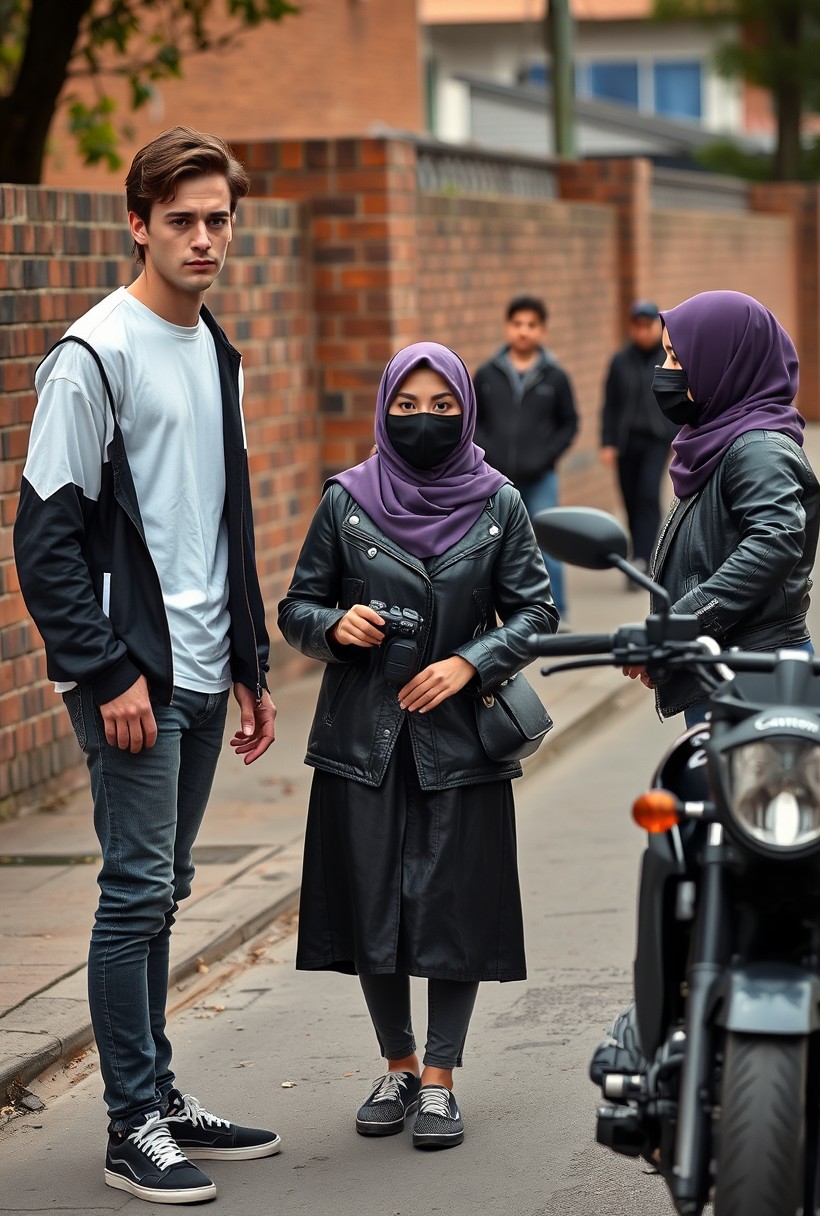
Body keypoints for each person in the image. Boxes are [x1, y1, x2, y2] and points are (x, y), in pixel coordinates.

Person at [13, 127, 280, 1205]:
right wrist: (106, 670)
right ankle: (132, 1124)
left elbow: (224, 521)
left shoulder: (218, 350)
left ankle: (160, 1093)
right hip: (137, 675)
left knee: (165, 888)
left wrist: (253, 662)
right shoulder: (93, 356)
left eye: (219, 219)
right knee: (134, 893)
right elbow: (44, 539)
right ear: (138, 223)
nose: (205, 238)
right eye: (182, 220)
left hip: (211, 667)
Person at [278, 342, 558, 1151]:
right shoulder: (345, 501)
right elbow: (298, 605)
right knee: (374, 908)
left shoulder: (500, 502)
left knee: (455, 907)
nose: (424, 420)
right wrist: (335, 625)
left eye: (442, 406)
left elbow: (535, 613)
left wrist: (470, 661)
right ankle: (397, 1064)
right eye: (408, 405)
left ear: (466, 409)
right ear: (384, 406)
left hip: (459, 740)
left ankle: (440, 1078)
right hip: (363, 740)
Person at [622, 290, 820, 727]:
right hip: (729, 669)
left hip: (756, 678)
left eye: (677, 358)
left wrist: (679, 624)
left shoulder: (756, 447)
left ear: (722, 361)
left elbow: (774, 541)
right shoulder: (720, 442)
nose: (665, 372)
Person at [473, 295, 578, 620]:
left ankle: (554, 610)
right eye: (517, 324)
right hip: (494, 480)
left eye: (531, 325)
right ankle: (489, 615)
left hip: (540, 477)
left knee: (547, 543)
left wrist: (546, 455)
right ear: (507, 327)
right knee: (489, 546)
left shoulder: (555, 377)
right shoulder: (487, 375)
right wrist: (486, 454)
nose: (523, 331)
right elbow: (474, 421)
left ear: (542, 330)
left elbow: (569, 423)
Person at [600, 300, 677, 582]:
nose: (643, 331)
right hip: (626, 442)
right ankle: (638, 553)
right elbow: (610, 405)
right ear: (632, 327)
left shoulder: (668, 358)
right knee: (630, 499)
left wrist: (677, 438)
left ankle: (646, 559)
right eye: (638, 325)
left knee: (647, 495)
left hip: (656, 441)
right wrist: (607, 442)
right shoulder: (620, 361)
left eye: (648, 325)